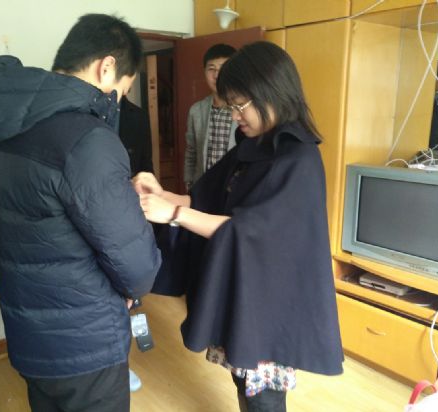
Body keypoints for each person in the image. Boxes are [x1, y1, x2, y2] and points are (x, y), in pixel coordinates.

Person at [0, 14, 161, 412]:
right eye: (122, 91)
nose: (117, 103)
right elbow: (137, 267)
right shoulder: (88, 138)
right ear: (107, 67)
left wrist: (114, 192)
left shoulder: (1, 128)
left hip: (29, 336)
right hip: (84, 343)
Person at [134, 41, 343, 412]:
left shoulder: (298, 158)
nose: (234, 116)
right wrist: (163, 195)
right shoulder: (253, 146)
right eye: (230, 105)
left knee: (262, 394)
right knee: (243, 379)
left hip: (271, 299)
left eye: (239, 105)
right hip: (244, 284)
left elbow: (251, 232)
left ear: (269, 92)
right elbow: (207, 200)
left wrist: (174, 214)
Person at [118, 94, 154, 392]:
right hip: (98, 209)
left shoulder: (137, 116)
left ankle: (121, 362)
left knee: (127, 292)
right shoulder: (81, 115)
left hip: (131, 206)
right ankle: (117, 365)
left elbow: (145, 162)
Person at [184, 43, 237, 190]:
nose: (216, 75)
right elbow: (191, 151)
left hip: (235, 189)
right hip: (204, 187)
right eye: (211, 69)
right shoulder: (196, 110)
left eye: (223, 68)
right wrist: (189, 183)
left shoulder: (244, 110)